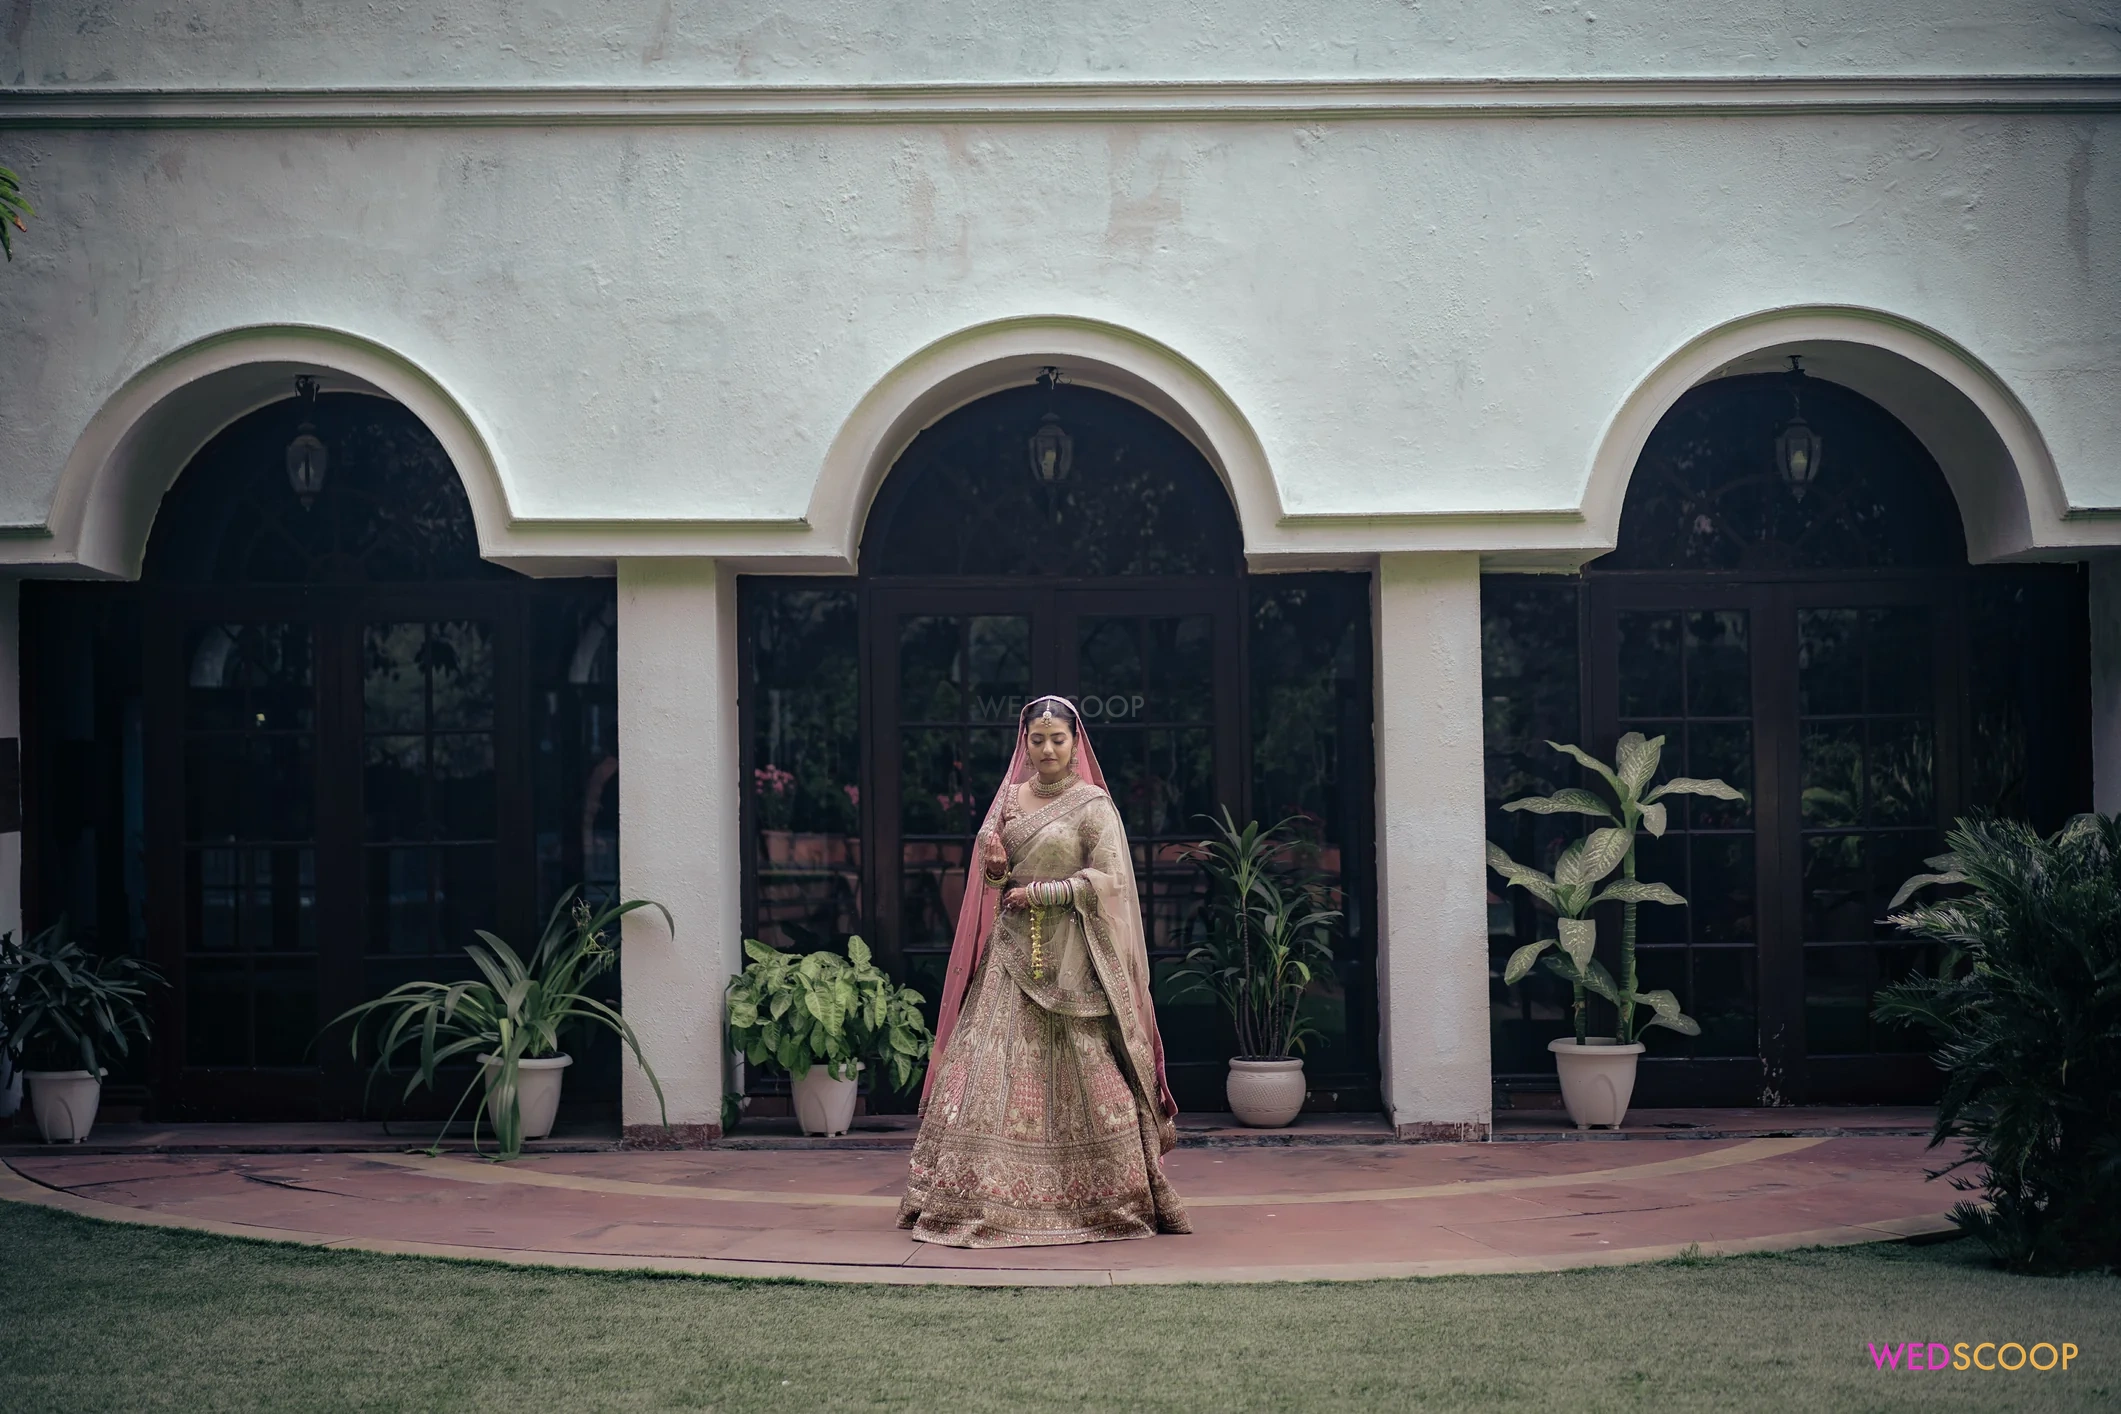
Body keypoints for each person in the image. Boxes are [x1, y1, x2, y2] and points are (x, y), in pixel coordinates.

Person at [897, 695, 1192, 1247]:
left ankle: (1105, 1200)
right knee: (984, 1073)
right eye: (1038, 740)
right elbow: (993, 877)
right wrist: (994, 870)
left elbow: (1111, 880)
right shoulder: (1008, 800)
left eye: (1058, 739)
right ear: (1025, 743)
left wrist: (1045, 893)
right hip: (1011, 956)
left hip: (1076, 959)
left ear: (1075, 743)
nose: (1048, 749)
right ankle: (982, 1198)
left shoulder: (1093, 805)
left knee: (1090, 1069)